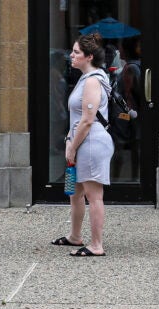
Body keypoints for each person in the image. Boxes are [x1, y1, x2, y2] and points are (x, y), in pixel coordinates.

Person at [50, 33, 114, 257]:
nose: (71, 55)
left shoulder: (94, 80)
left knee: (93, 195)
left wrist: (73, 146)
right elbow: (77, 118)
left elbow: (88, 120)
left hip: (91, 143)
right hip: (81, 141)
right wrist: (70, 140)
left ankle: (97, 245)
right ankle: (75, 236)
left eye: (76, 52)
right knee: (75, 192)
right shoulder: (85, 78)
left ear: (88, 56)